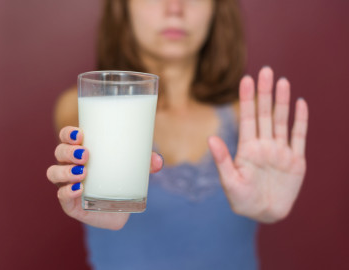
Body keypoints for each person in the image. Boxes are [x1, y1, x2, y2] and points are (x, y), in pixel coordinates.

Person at [46, 0, 309, 269]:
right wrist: (101, 199)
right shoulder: (83, 106)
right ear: (122, 7)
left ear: (216, 9)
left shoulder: (253, 117)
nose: (175, 8)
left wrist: (267, 210)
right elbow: (86, 149)